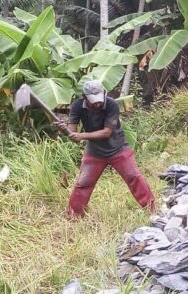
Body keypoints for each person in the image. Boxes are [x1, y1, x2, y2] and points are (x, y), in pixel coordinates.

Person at [60, 80, 155, 217]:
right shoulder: (77, 106)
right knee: (83, 183)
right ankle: (74, 216)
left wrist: (82, 135)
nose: (98, 103)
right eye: (93, 101)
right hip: (94, 152)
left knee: (133, 177)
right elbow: (73, 134)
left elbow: (106, 133)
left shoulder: (111, 104)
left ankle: (151, 210)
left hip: (118, 149)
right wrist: (64, 130)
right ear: (85, 97)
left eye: (99, 99)